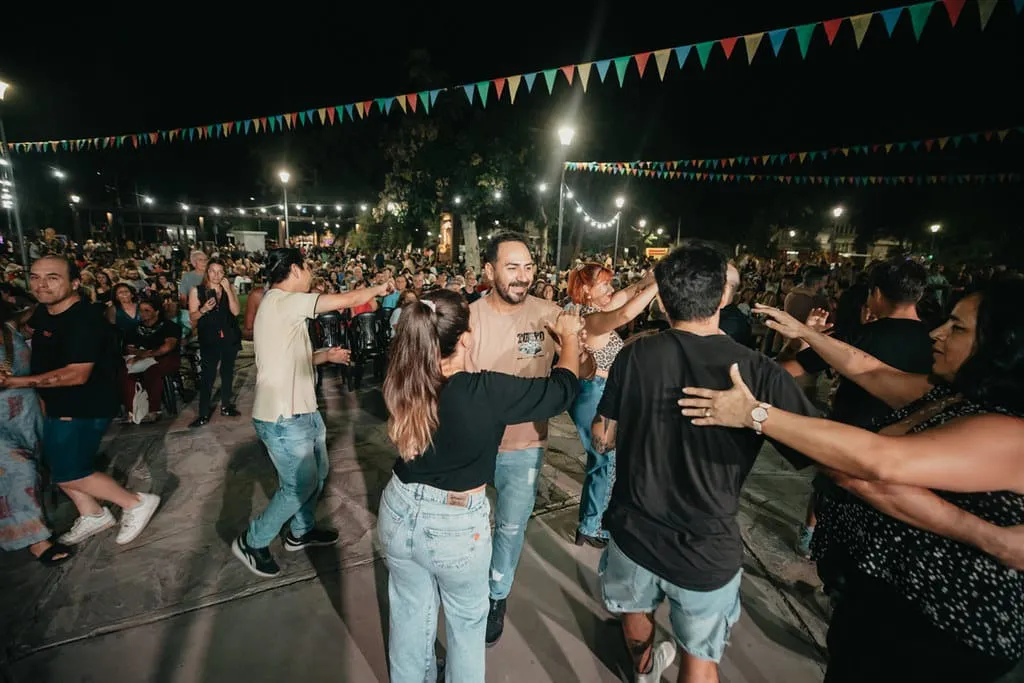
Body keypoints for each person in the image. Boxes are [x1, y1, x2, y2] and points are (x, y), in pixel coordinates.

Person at [680, 283, 1024, 683]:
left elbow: (877, 462)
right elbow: (872, 371)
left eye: (957, 328)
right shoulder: (953, 397)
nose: (937, 333)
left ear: (1002, 345)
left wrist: (757, 414)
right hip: (887, 594)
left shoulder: (1008, 432)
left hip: (944, 623)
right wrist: (806, 334)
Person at [592, 243, 820, 683]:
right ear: (722, 299)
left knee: (634, 613)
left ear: (661, 298)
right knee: (700, 659)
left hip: (633, 529)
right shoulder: (756, 370)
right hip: (704, 546)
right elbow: (816, 448)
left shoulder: (635, 354)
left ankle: (643, 674)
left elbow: (603, 437)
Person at [378, 289, 582, 682]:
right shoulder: (483, 390)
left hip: (398, 506)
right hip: (453, 524)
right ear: (465, 337)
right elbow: (561, 391)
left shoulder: (402, 378)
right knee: (466, 626)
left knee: (408, 613)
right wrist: (570, 339)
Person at [464, 232, 594, 646]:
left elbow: (583, 371)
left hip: (525, 446)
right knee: (469, 526)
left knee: (510, 527)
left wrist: (582, 351)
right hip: (475, 443)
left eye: (528, 267)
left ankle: (496, 595)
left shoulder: (550, 314)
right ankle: (466, 589)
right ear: (489, 271)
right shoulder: (469, 318)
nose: (522, 277)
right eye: (511, 267)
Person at [231, 248, 389, 578]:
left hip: (303, 412)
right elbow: (344, 300)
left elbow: (290, 359)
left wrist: (325, 356)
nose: (312, 275)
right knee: (298, 486)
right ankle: (252, 541)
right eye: (308, 269)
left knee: (315, 476)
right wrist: (377, 289)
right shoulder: (282, 301)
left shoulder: (282, 310)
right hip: (283, 417)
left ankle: (300, 532)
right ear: (294, 270)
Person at [1, 257, 160, 546]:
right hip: (59, 405)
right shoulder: (45, 311)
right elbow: (23, 319)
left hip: (82, 406)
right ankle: (93, 514)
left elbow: (76, 375)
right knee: (58, 466)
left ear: (75, 283)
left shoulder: (83, 320)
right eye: (35, 277)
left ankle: (135, 502)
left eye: (52, 277)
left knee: (71, 472)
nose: (41, 284)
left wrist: (14, 382)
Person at [784, 259, 934, 558]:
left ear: (876, 294)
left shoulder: (857, 338)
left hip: (848, 448)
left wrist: (803, 339)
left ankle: (813, 541)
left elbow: (786, 370)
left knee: (832, 509)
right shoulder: (938, 344)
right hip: (910, 456)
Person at [565, 263, 658, 547]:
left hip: (598, 392)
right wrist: (657, 285)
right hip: (595, 393)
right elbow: (626, 312)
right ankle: (594, 526)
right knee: (605, 462)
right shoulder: (593, 321)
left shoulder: (593, 313)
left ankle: (592, 523)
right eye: (604, 284)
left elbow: (622, 299)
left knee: (604, 462)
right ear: (586, 291)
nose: (611, 289)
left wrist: (643, 282)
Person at [0, 300, 72, 565]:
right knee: (20, 469)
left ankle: (30, 524)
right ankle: (36, 542)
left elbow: (44, 304)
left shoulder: (10, 327)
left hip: (26, 413)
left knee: (35, 468)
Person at [188, 259, 242, 428]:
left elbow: (236, 311)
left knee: (227, 373)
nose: (216, 275)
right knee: (208, 376)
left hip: (229, 336)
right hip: (209, 337)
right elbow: (192, 317)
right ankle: (203, 413)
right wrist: (203, 309)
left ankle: (226, 406)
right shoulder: (197, 291)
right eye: (213, 271)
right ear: (207, 272)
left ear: (224, 273)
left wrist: (227, 289)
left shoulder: (229, 288)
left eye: (220, 271)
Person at [121, 296, 182, 423]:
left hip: (165, 358)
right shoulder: (135, 329)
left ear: (157, 311)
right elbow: (129, 348)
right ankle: (132, 411)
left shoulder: (169, 326)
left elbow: (168, 346)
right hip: (142, 358)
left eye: (147, 310)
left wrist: (147, 354)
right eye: (141, 311)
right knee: (125, 374)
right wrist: (141, 354)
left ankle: (154, 410)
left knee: (153, 371)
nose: (142, 314)